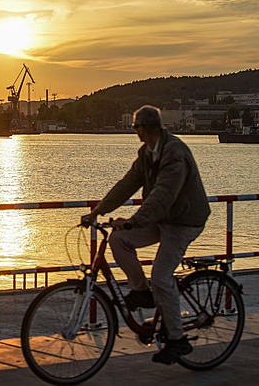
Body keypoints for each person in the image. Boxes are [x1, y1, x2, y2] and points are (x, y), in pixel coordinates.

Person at [82, 105, 210, 365]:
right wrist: (98, 212)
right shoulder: (147, 153)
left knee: (161, 276)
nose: (134, 132)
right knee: (118, 240)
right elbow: (127, 185)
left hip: (184, 221)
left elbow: (163, 195)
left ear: (145, 128)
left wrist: (133, 221)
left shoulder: (175, 153)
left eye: (135, 127)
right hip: (161, 218)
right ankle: (142, 292)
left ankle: (177, 340)